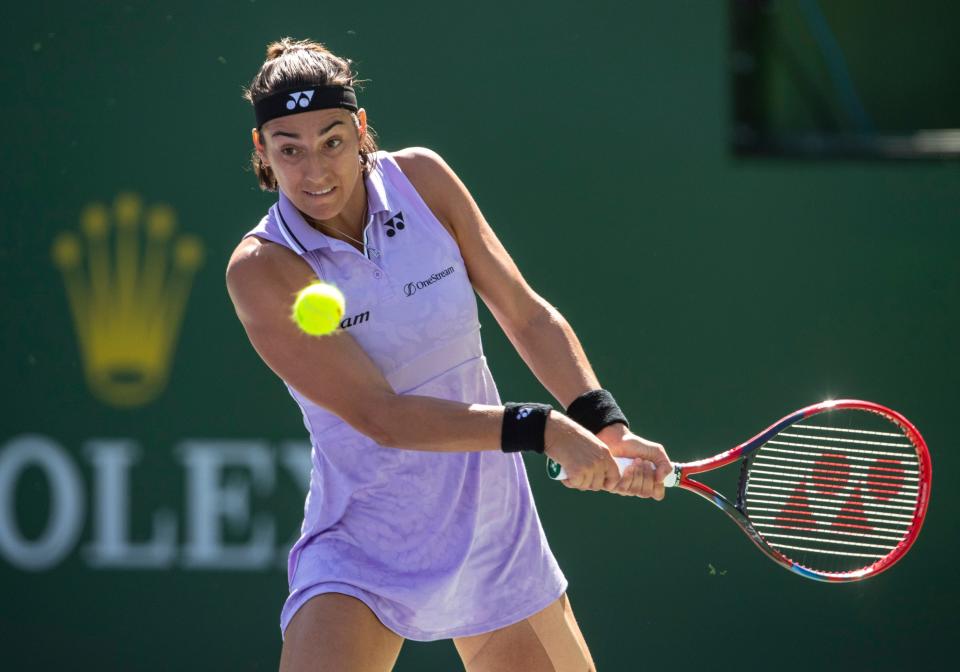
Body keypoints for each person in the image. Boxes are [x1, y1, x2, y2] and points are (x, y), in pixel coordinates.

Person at [226, 37, 673, 672]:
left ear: (359, 130)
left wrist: (606, 425)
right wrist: (541, 427)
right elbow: (383, 416)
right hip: (363, 547)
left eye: (331, 140)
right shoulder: (263, 268)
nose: (315, 171)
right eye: (289, 150)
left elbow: (524, 312)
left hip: (495, 534)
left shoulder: (423, 181)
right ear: (262, 152)